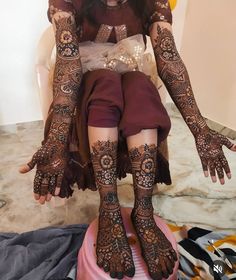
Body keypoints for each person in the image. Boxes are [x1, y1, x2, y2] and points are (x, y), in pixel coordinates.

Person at [19, 0, 236, 279]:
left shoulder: (152, 3)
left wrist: (200, 129)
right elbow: (70, 64)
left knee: (142, 88)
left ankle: (143, 212)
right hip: (87, 79)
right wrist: (55, 139)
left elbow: (168, 58)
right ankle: (109, 208)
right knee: (105, 85)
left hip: (131, 70)